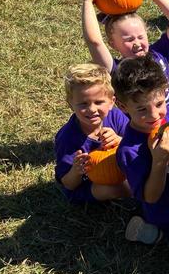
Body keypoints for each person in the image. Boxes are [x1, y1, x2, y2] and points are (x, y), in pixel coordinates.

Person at [113, 56, 169, 244]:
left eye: (159, 104)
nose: (154, 115)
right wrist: (159, 161)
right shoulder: (130, 150)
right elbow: (151, 196)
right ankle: (152, 233)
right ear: (122, 106)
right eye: (141, 109)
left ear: (165, 93)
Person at [54, 63, 130, 203]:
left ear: (111, 101)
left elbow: (137, 144)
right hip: (88, 185)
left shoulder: (116, 117)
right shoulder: (68, 137)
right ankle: (137, 197)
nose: (92, 109)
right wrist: (76, 170)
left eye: (99, 102)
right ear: (71, 104)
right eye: (83, 104)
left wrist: (120, 140)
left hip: (118, 172)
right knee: (111, 189)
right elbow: (68, 183)